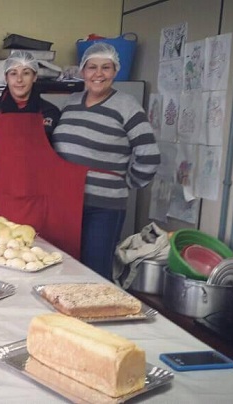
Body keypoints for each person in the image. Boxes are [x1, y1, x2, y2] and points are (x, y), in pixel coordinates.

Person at [52, 42, 160, 280]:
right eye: (92, 67)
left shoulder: (127, 105)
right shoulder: (70, 102)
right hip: (67, 202)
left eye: (106, 68)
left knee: (94, 273)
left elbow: (149, 155)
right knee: (62, 267)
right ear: (82, 71)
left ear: (115, 71)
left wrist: (126, 183)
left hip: (103, 207)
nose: (98, 74)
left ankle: (95, 316)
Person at [0, 50, 85, 259]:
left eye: (26, 73)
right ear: (6, 77)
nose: (19, 79)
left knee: (36, 258)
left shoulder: (50, 114)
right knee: (0, 257)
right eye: (13, 73)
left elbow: (63, 159)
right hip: (0, 200)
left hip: (39, 202)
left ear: (35, 77)